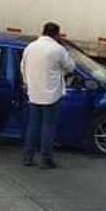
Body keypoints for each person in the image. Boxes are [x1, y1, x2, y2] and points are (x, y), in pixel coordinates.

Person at [20, 22, 75, 168]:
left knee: (33, 126)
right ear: (57, 34)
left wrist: (27, 84)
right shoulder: (57, 49)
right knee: (48, 127)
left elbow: (23, 67)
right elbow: (70, 67)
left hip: (34, 92)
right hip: (51, 94)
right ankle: (45, 159)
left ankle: (28, 157)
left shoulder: (30, 47)